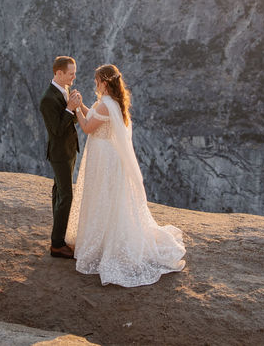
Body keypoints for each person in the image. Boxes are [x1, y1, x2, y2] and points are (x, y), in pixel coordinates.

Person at [65, 64, 185, 286]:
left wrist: (74, 109)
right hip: (107, 155)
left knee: (102, 197)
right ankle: (103, 238)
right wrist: (81, 104)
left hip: (103, 157)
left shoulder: (105, 105)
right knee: (108, 199)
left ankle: (102, 242)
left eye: (97, 80)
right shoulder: (113, 103)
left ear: (104, 82)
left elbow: (88, 127)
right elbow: (93, 114)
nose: (95, 84)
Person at [40, 55, 81, 259]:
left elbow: (68, 120)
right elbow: (55, 129)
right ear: (59, 73)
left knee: (59, 192)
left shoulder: (63, 90)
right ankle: (57, 244)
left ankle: (59, 236)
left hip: (69, 150)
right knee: (66, 195)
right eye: (71, 73)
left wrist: (73, 108)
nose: (74, 77)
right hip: (60, 153)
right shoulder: (48, 99)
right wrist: (69, 109)